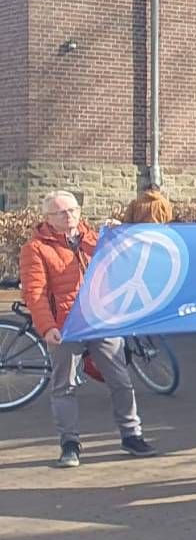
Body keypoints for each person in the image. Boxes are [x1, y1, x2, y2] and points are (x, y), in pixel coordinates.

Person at [23, 190, 155, 467]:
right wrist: (47, 327)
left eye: (73, 210)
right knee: (64, 386)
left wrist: (122, 237)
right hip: (65, 326)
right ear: (48, 218)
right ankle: (70, 444)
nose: (69, 215)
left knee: (121, 380)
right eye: (61, 212)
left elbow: (127, 265)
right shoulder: (36, 249)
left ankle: (131, 435)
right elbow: (35, 293)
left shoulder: (94, 239)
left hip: (101, 321)